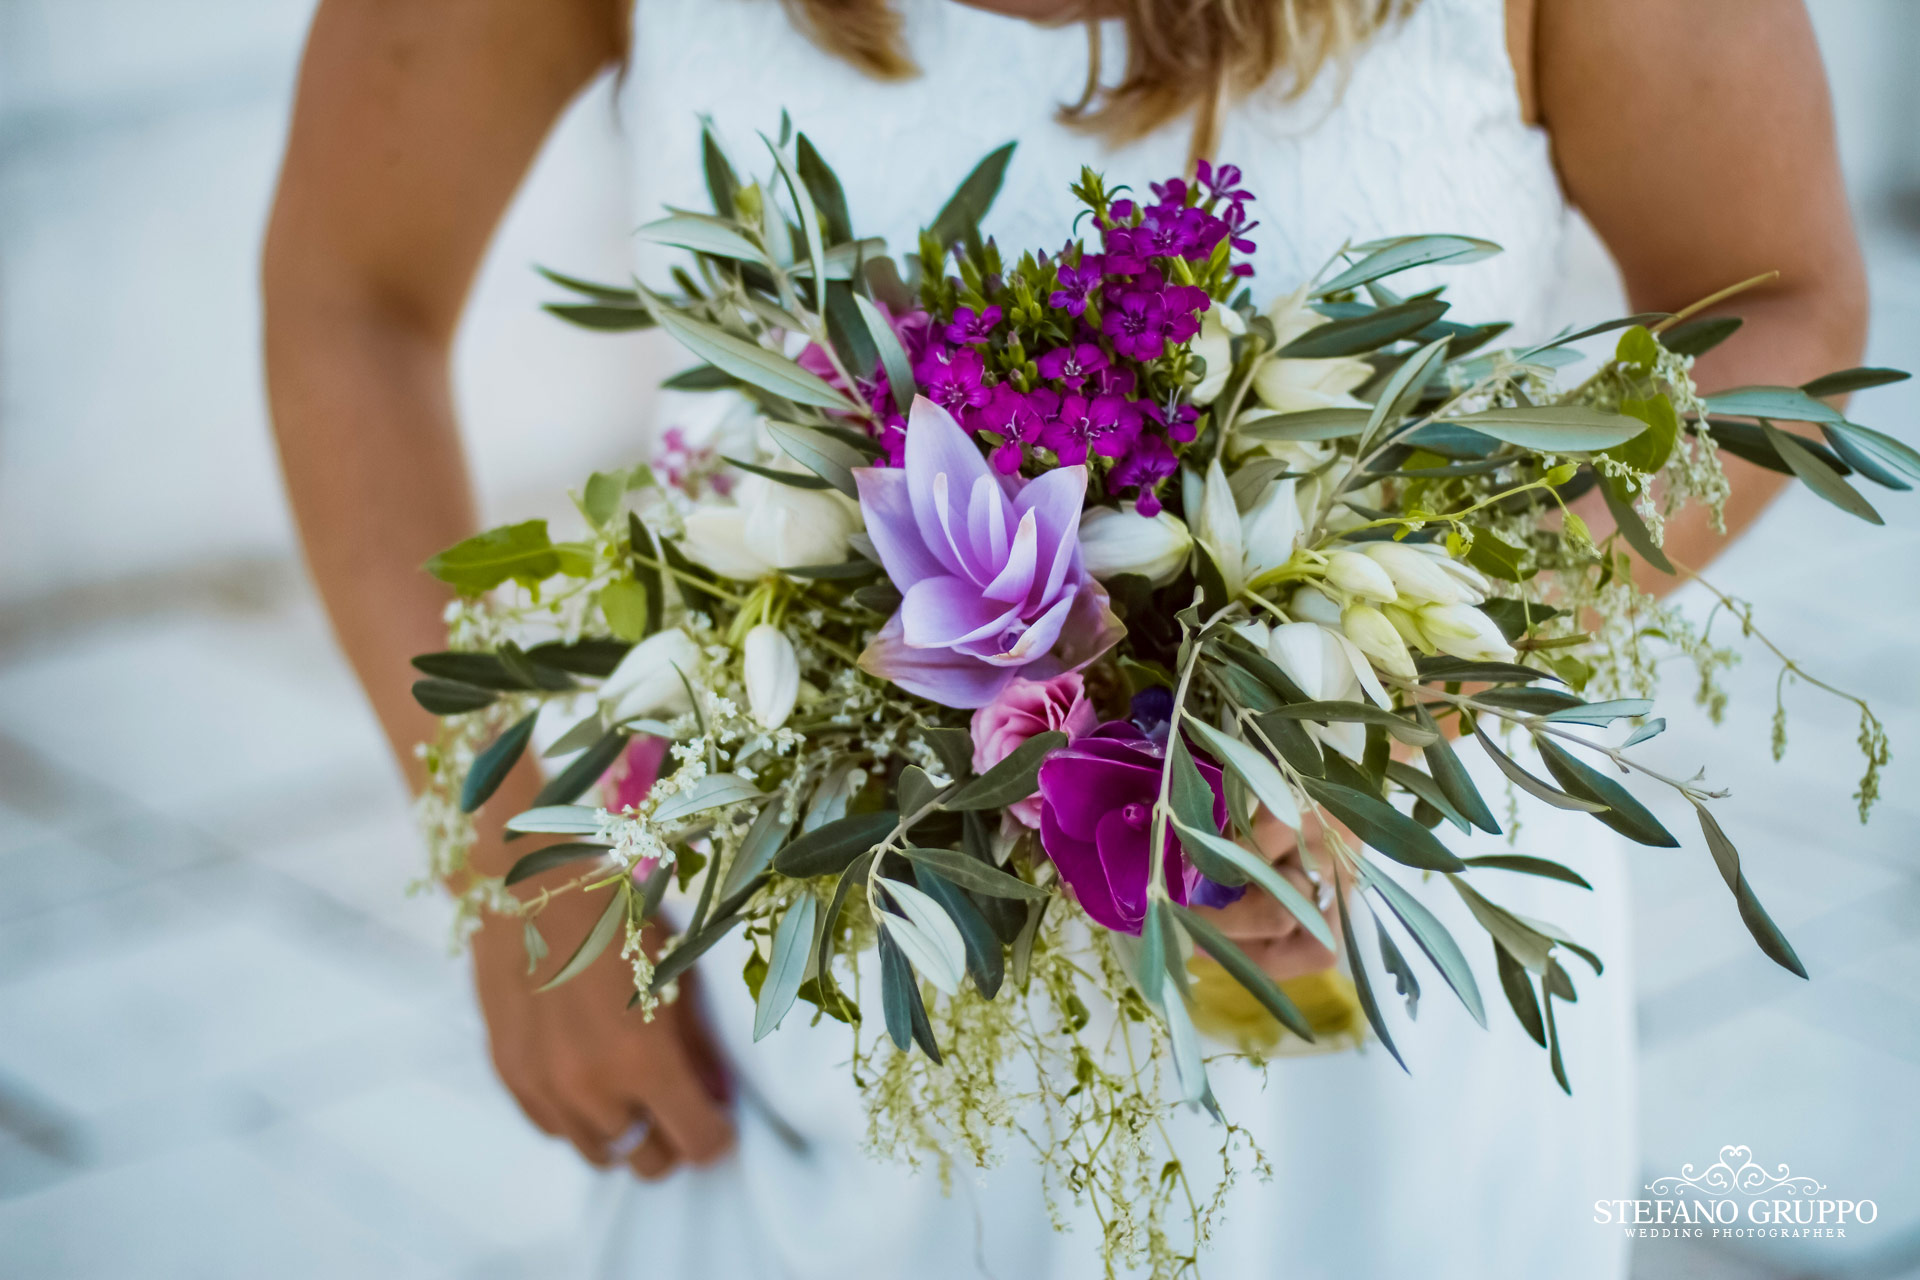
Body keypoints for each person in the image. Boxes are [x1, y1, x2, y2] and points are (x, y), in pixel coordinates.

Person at [262, 1, 1866, 1275]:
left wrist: (1387, 684)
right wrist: (513, 846)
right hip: (825, 1032)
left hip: (1359, 976)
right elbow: (353, 294)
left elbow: (1783, 307)